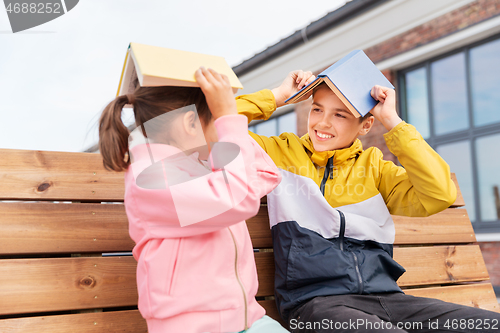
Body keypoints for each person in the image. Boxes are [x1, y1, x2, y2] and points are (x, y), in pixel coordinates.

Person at [235, 71, 500, 332]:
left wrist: (393, 121)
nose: (322, 123)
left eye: (339, 114)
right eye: (317, 110)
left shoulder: (374, 167)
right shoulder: (280, 154)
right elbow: (209, 130)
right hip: (312, 305)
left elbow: (440, 193)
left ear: (366, 125)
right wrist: (277, 96)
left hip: (388, 300)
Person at [98, 67, 290, 333]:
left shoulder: (202, 168)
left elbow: (265, 174)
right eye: (218, 122)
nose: (225, 129)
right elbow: (240, 197)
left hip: (246, 319)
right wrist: (228, 119)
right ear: (190, 124)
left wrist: (232, 112)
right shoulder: (150, 178)